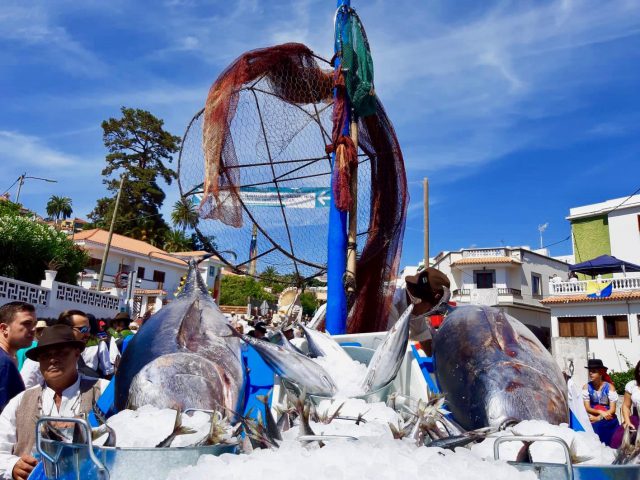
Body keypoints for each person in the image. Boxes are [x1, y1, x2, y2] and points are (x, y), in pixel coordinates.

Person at [0, 324, 108, 480]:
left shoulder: (103, 392)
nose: (52, 360)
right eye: (45, 356)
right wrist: (13, 466)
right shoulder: (20, 402)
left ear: (76, 353)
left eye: (61, 353)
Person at [22, 310, 114, 387]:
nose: (88, 334)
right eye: (83, 330)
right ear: (67, 329)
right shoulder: (37, 360)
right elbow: (24, 392)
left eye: (89, 330)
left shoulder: (75, 355)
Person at [387, 267, 450, 356]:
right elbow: (389, 349)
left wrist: (442, 359)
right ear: (420, 300)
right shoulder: (391, 302)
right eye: (430, 309)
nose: (429, 312)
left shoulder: (416, 307)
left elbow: (424, 337)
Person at [0, 303, 35, 412]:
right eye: (27, 324)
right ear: (4, 328)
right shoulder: (3, 363)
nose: (34, 329)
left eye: (34, 324)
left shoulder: (8, 359)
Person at [582, 358, 619, 446]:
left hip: (608, 416)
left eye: (594, 371)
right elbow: (587, 408)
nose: (591, 373)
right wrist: (599, 412)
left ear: (601, 373)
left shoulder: (610, 387)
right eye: (590, 371)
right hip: (592, 414)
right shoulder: (586, 387)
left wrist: (599, 417)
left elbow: (612, 409)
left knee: (601, 427)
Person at [610, 360, 640, 448]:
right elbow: (626, 406)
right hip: (636, 418)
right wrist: (627, 421)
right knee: (619, 438)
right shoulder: (632, 385)